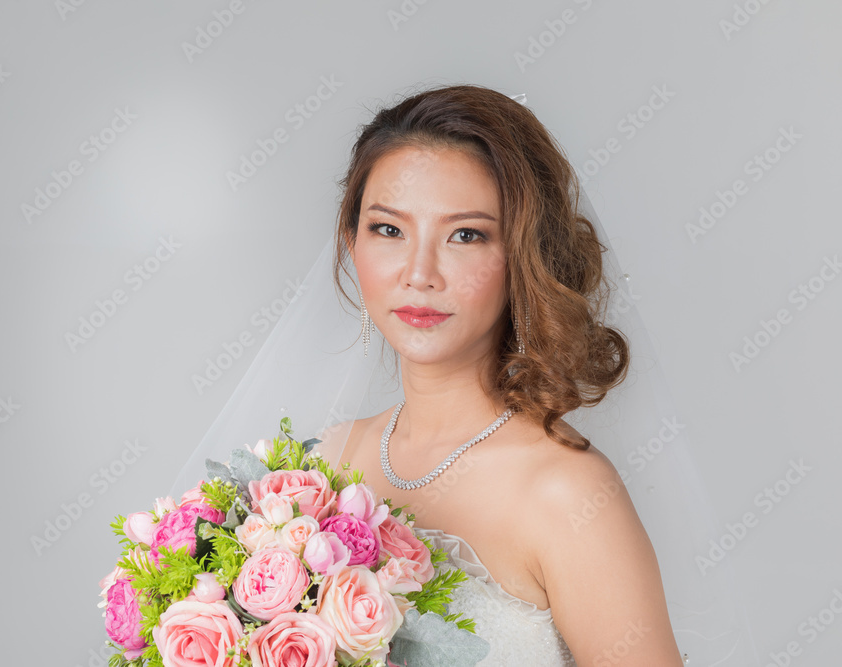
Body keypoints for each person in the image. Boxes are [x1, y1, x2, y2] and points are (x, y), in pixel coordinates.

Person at [170, 84, 757, 666]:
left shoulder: (568, 494)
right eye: (389, 230)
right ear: (352, 242)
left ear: (523, 257)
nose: (419, 273)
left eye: (466, 235)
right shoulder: (316, 469)